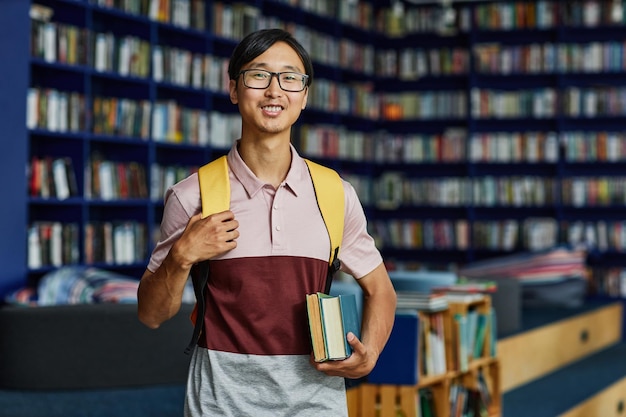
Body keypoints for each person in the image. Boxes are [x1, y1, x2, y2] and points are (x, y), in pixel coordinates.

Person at [137, 28, 397, 417]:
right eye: (259, 75)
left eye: (290, 78)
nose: (275, 90)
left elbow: (382, 291)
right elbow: (151, 314)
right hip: (219, 405)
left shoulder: (335, 193)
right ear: (234, 89)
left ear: (304, 95)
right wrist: (181, 256)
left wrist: (371, 353)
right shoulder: (192, 196)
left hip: (316, 404)